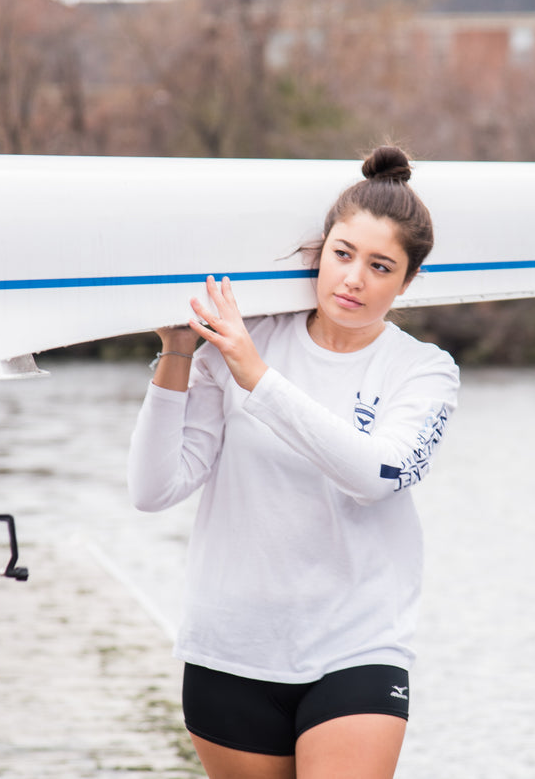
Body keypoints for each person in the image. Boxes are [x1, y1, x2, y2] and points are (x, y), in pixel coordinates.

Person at [127, 145, 459, 779]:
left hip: (357, 646)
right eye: (343, 254)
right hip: (230, 647)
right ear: (320, 252)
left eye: (380, 265)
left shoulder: (423, 371)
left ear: (407, 280)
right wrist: (175, 356)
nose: (354, 278)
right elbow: (154, 488)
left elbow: (376, 475)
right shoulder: (247, 339)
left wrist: (257, 377)